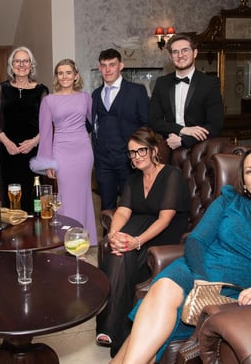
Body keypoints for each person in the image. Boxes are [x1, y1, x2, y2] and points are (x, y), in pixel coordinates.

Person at [111, 147, 251, 364]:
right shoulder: (230, 200)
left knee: (148, 331)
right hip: (198, 272)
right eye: (250, 171)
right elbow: (196, 240)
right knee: (163, 288)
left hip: (240, 293)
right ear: (244, 180)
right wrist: (201, 279)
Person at [96, 127, 190, 356]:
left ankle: (113, 330)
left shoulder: (171, 175)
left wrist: (136, 241)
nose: (136, 157)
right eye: (131, 153)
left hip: (161, 235)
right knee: (118, 252)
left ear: (154, 150)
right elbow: (122, 212)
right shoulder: (133, 179)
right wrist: (115, 235)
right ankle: (113, 329)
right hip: (135, 229)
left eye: (141, 151)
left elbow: (165, 219)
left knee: (124, 254)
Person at [29, 59, 96, 243]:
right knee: (65, 196)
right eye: (60, 73)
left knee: (83, 195)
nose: (64, 76)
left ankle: (84, 239)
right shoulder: (49, 100)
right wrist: (47, 162)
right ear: (56, 77)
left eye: (68, 72)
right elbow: (45, 132)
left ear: (76, 75)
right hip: (62, 152)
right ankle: (68, 240)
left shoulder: (85, 98)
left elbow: (94, 124)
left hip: (83, 151)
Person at [91, 48, 149, 218]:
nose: (107, 69)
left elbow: (146, 124)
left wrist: (140, 153)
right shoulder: (95, 95)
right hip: (103, 161)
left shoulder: (136, 91)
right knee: (106, 206)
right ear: (99, 68)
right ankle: (108, 242)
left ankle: (129, 242)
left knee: (130, 204)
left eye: (112, 65)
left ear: (121, 66)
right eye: (104, 65)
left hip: (128, 159)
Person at [0, 46, 49, 211]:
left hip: (33, 152)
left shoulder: (41, 91)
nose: (21, 64)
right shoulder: (2, 88)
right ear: (11, 65)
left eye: (25, 61)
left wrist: (34, 142)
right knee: (10, 198)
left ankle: (34, 235)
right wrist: (7, 142)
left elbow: (47, 124)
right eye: (17, 61)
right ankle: (11, 235)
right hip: (8, 151)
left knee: (33, 197)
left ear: (31, 65)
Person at [148, 33, 224, 150]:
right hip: (169, 149)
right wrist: (182, 130)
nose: (180, 55)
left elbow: (215, 125)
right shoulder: (161, 83)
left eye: (185, 50)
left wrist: (184, 140)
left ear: (195, 53)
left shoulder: (210, 83)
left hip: (201, 151)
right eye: (175, 52)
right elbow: (153, 121)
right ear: (170, 56)